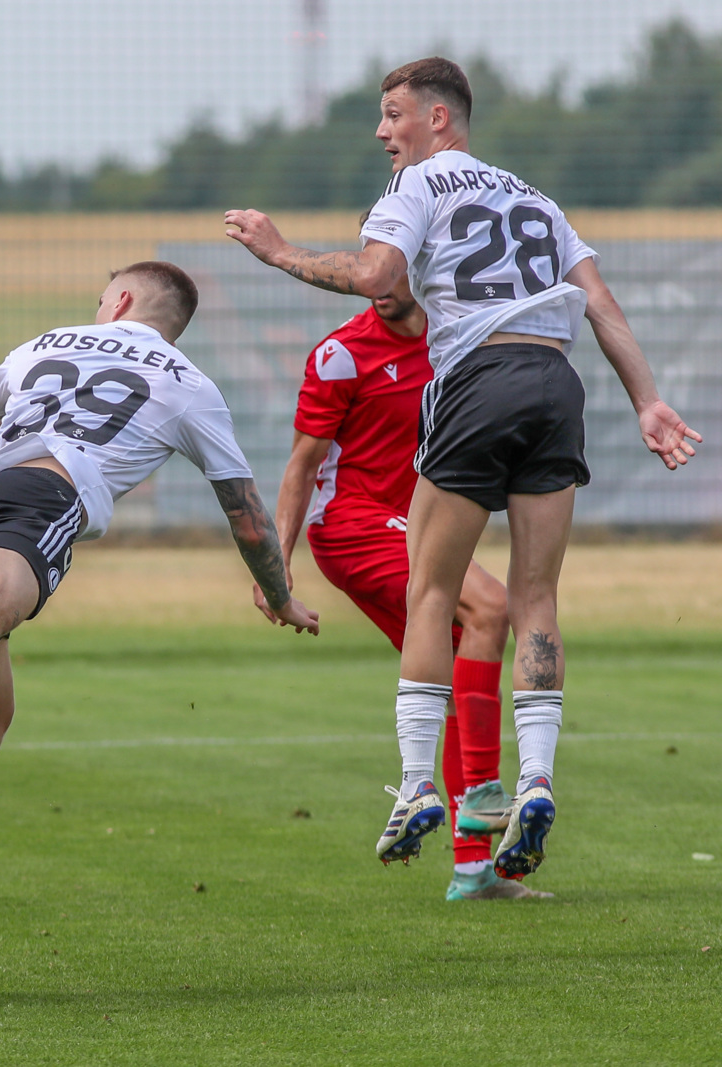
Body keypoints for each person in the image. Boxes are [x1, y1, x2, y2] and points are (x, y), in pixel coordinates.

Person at [225, 57, 700, 878]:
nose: (383, 133)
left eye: (392, 114)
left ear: (438, 119)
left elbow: (377, 275)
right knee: (536, 595)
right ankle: (537, 778)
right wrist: (648, 401)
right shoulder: (539, 201)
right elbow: (601, 304)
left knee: (432, 589)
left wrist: (279, 251)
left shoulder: (418, 187)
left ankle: (416, 786)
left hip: (478, 376)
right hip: (557, 380)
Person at [0, 261, 320, 997]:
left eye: (103, 296)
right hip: (42, 495)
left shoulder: (45, 342)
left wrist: (35, 405)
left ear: (119, 301)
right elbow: (246, 510)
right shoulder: (189, 383)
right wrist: (279, 593)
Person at [265, 269, 548, 901]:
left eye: (394, 267)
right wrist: (275, 565)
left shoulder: (459, 341)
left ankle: (474, 871)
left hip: (417, 522)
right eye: (370, 265)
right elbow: (300, 466)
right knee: (491, 608)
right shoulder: (341, 355)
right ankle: (475, 797)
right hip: (353, 525)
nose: (378, 282)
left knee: (445, 676)